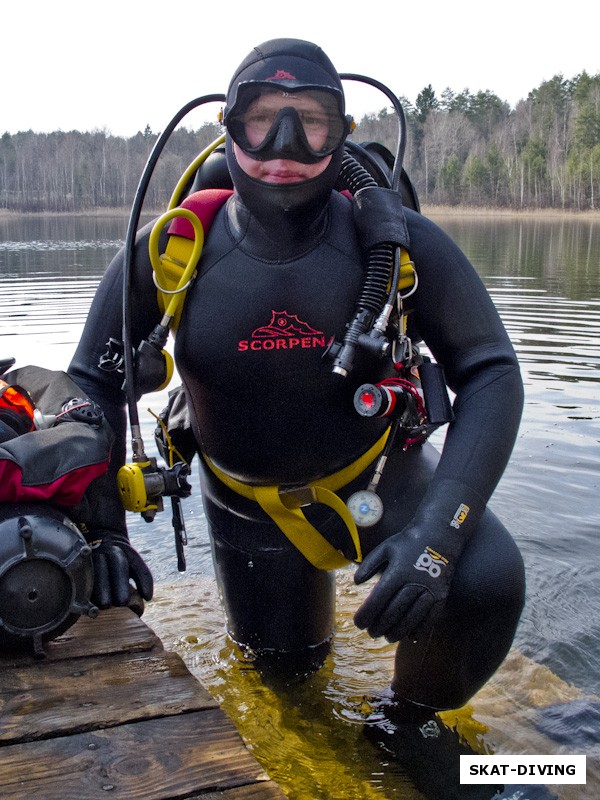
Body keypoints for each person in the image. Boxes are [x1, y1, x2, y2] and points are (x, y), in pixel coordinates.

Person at [68, 37, 526, 717]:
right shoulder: (170, 250)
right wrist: (104, 529)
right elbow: (90, 383)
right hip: (247, 502)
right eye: (262, 118)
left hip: (380, 484)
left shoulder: (399, 246)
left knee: (483, 578)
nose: (284, 144)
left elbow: (491, 371)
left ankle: (405, 724)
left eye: (310, 121)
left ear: (340, 134)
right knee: (285, 679)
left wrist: (438, 535)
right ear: (229, 127)